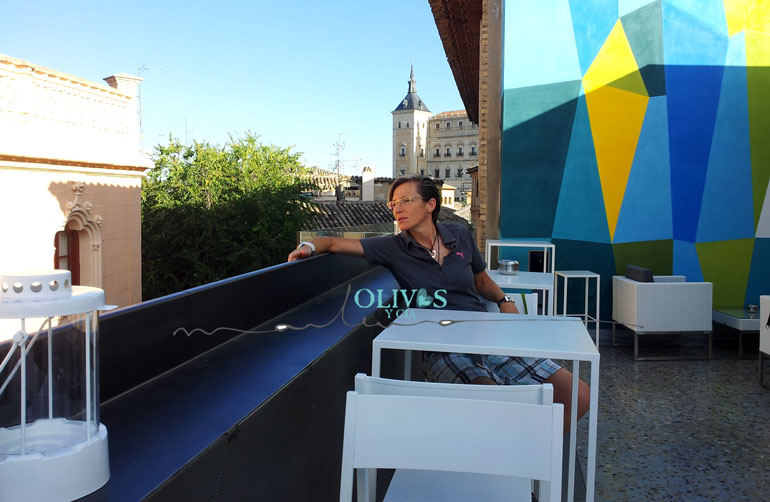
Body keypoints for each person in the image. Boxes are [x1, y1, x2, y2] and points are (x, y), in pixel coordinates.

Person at [288, 175, 589, 430]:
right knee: (498, 404)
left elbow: (481, 281)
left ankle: (532, 459)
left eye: (406, 200)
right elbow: (332, 242)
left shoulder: (459, 234)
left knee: (577, 395)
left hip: (485, 334)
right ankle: (512, 469)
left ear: (430, 205)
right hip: (442, 348)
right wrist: (308, 246)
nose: (397, 209)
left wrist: (504, 299)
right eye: (393, 203)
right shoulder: (391, 248)